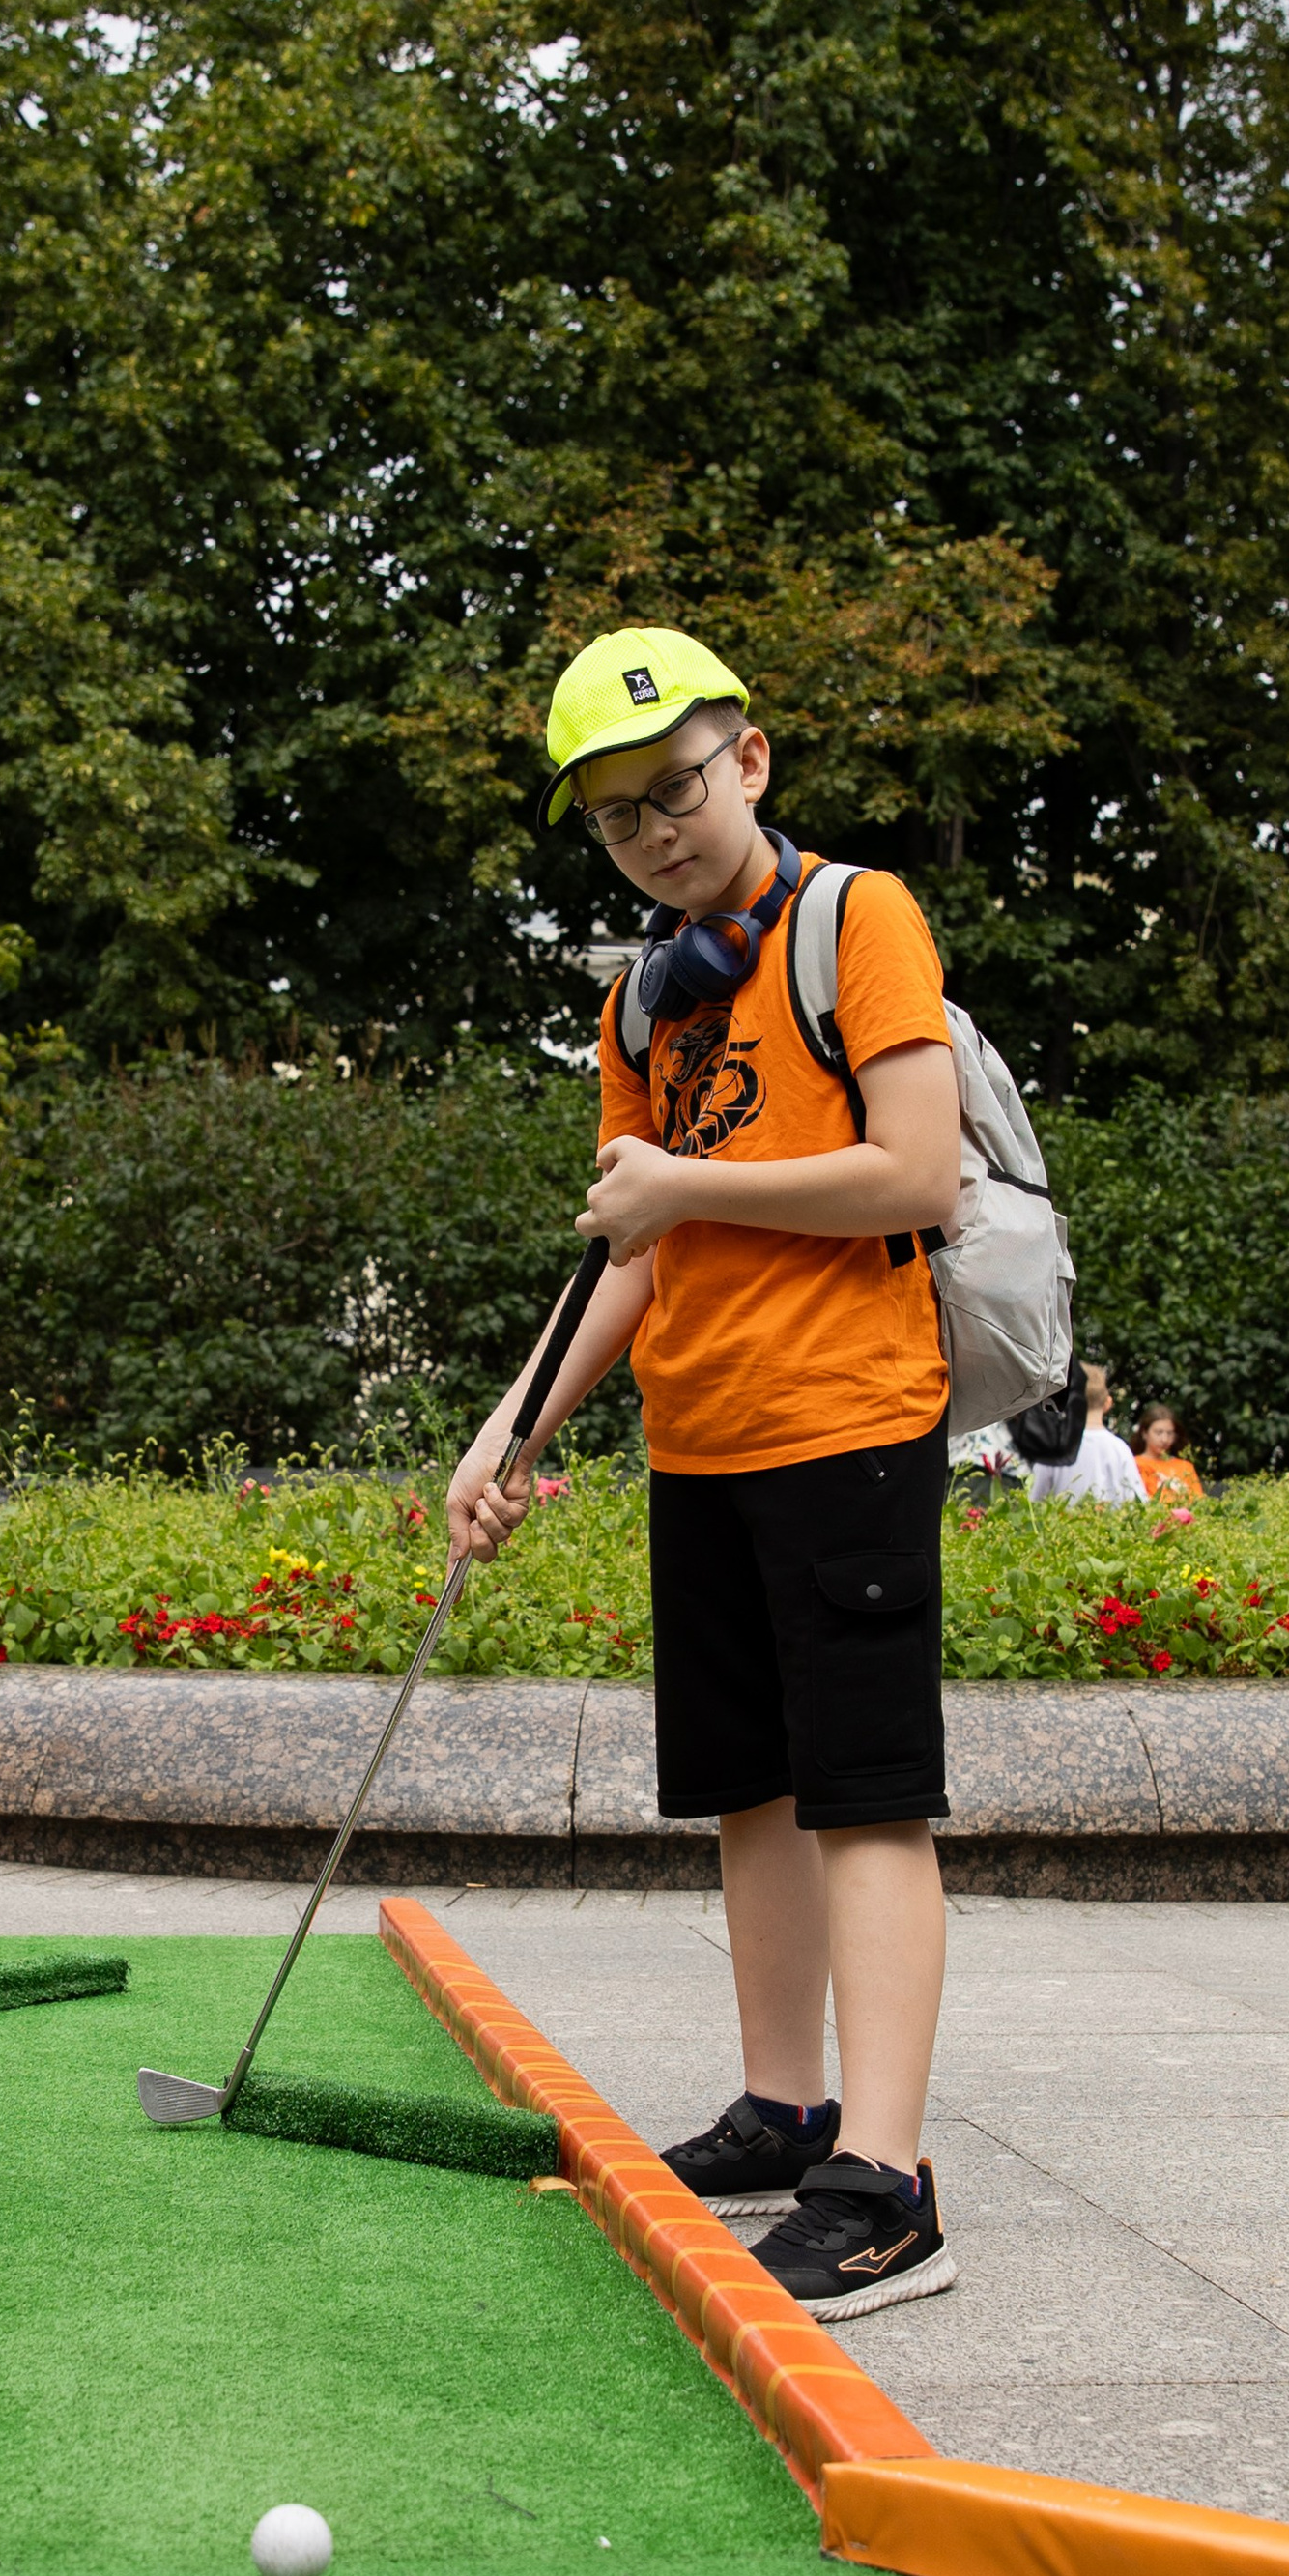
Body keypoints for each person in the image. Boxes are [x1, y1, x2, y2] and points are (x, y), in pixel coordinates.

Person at [448, 624, 961, 2319]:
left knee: (867, 1798)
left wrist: (687, 1188)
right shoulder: (644, 996)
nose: (657, 829)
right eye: (614, 815)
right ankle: (782, 2105)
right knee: (747, 1785)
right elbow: (629, 1249)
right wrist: (511, 1428)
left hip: (849, 1423)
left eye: (676, 787)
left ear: (749, 759)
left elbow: (915, 1175)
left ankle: (885, 2176)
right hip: (707, 1436)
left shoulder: (852, 918)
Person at [1028, 1360, 1148, 1505]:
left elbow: (1034, 1502)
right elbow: (1137, 1501)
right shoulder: (1120, 1449)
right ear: (1108, 1403)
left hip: (1060, 1526)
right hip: (1110, 1526)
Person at [1133, 1402, 1205, 1503]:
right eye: (1159, 1433)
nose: (1165, 1439)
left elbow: (1199, 1503)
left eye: (1169, 1433)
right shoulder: (1135, 1465)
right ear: (1144, 1433)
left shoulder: (1185, 1467)